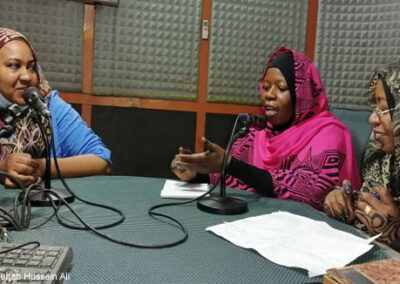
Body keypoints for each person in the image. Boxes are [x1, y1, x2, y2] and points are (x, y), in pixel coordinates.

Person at [171, 46, 360, 210]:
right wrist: (196, 175)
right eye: (267, 87)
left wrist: (232, 165)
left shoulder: (328, 132)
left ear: (301, 96)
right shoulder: (256, 134)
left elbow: (312, 189)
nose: (269, 95)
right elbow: (234, 182)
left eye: (281, 88)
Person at [0, 28, 111, 188]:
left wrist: (39, 167)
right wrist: (3, 168)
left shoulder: (47, 105)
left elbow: (102, 161)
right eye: (14, 65)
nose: (26, 76)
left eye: (31, 67)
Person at [324, 60, 400, 251]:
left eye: (383, 109)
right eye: (374, 108)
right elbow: (371, 212)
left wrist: (396, 235)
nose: (372, 119)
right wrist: (347, 204)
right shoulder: (383, 162)